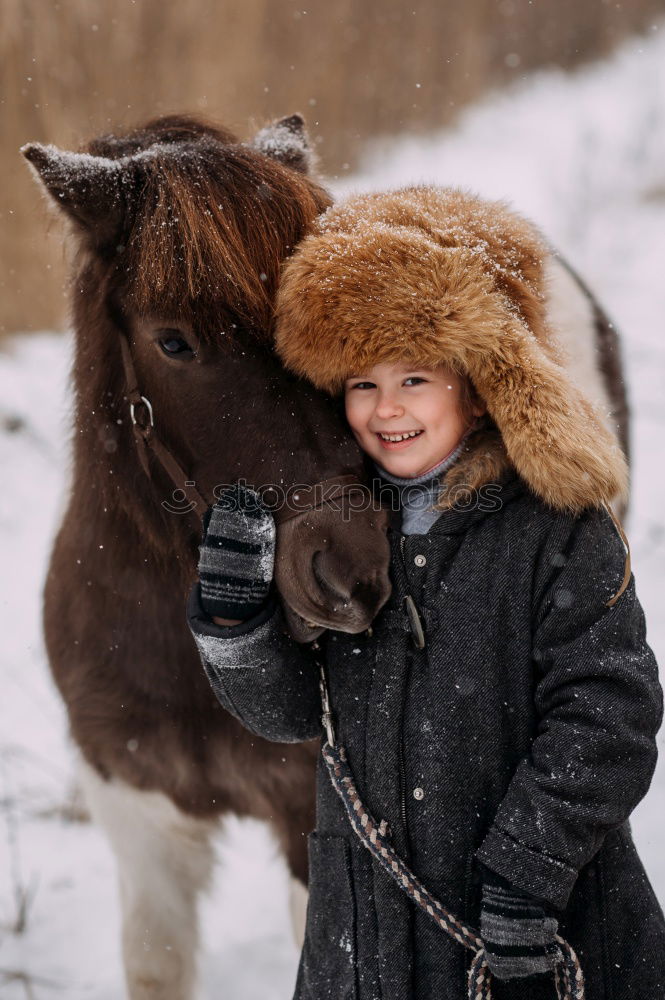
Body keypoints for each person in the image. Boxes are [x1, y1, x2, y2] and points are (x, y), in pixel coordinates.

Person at [186, 186, 665, 999]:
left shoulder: (553, 530)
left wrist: (527, 872)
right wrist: (238, 625)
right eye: (361, 384)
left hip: (535, 929)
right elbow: (299, 713)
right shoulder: (344, 534)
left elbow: (609, 717)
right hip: (363, 935)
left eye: (415, 377)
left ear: (479, 386)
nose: (387, 408)